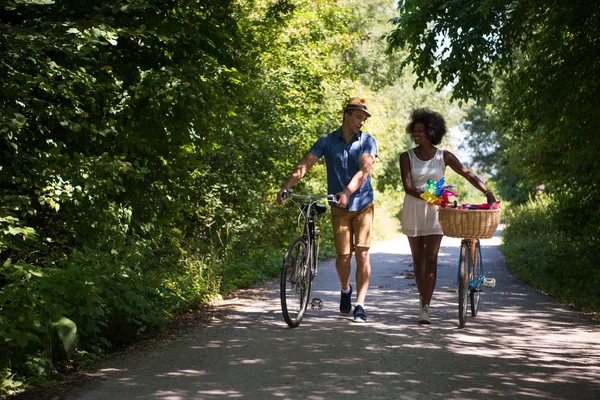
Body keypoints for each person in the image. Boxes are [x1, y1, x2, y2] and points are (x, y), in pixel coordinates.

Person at [277, 97, 378, 323]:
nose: (362, 122)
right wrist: (286, 187)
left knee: (362, 254)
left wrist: (347, 192)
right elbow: (305, 164)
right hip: (339, 206)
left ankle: (360, 305)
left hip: (362, 203)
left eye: (364, 118)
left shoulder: (368, 141)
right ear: (347, 115)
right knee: (343, 258)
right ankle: (345, 289)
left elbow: (364, 171)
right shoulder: (327, 141)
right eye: (358, 117)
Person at [399, 108, 496, 324]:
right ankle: (422, 297)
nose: (416, 134)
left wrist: (487, 192)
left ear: (432, 132)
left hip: (435, 211)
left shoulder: (444, 156)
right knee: (417, 261)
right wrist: (430, 196)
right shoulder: (406, 156)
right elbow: (408, 187)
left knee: (431, 259)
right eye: (414, 131)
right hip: (414, 209)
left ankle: (426, 306)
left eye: (421, 131)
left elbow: (467, 173)